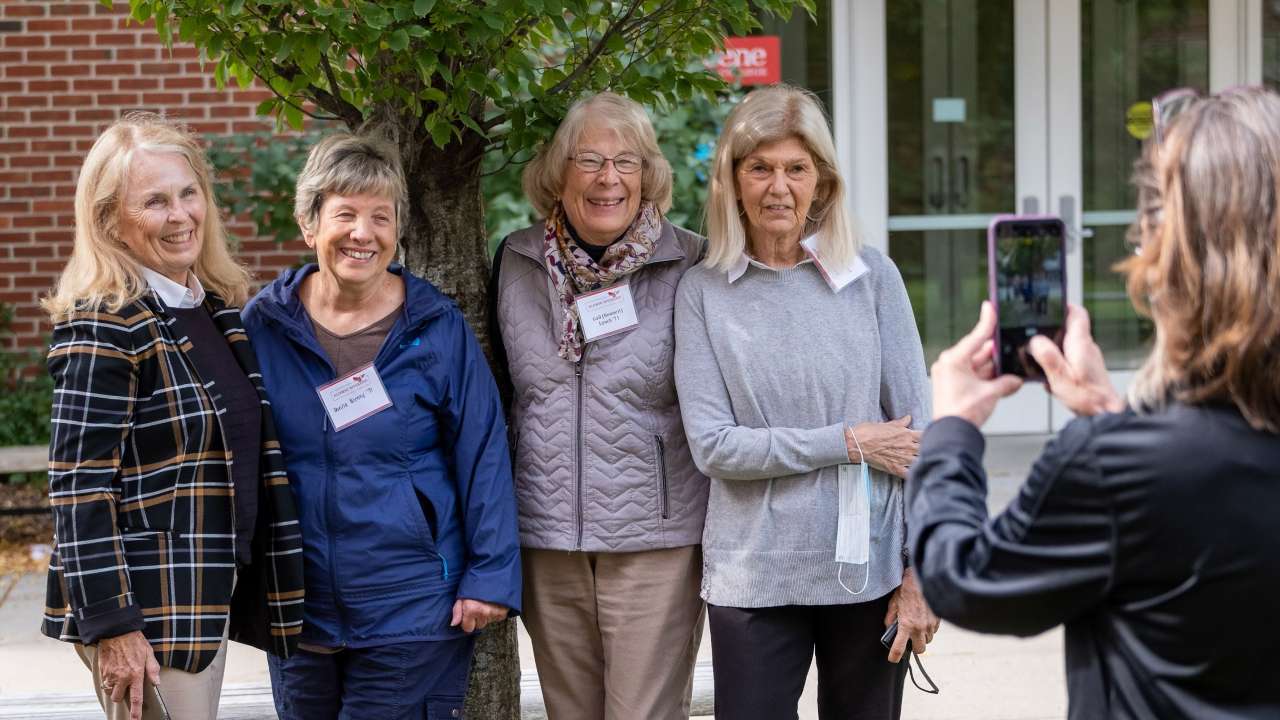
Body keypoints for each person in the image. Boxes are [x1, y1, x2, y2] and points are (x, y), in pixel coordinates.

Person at [911, 87, 1280, 719]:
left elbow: (966, 579)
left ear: (1179, 253)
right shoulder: (1138, 455)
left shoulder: (1119, 466)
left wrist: (952, 431)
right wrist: (1112, 415)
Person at [673, 84, 938, 720]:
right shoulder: (703, 291)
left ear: (822, 181)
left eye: (797, 168)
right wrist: (850, 441)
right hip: (752, 575)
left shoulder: (872, 277)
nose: (778, 187)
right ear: (733, 181)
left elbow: (924, 442)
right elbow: (714, 445)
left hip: (867, 574)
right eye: (759, 168)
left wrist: (922, 576)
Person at [242, 132, 521, 720]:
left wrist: (491, 574)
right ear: (309, 223)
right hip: (299, 607)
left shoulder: (435, 327)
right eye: (345, 213)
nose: (362, 233)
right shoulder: (263, 326)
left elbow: (483, 451)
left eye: (380, 216)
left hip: (413, 605)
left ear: (398, 230)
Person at [39, 112, 305, 720]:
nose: (181, 214)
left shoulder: (207, 307)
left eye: (189, 193)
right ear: (111, 221)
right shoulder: (104, 323)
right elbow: (79, 487)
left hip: (200, 592)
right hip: (145, 608)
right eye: (155, 201)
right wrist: (113, 626)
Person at [489, 91, 709, 719]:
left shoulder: (689, 262)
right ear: (558, 172)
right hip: (548, 537)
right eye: (589, 160)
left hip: (655, 540)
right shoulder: (516, 261)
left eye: (627, 162)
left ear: (649, 176)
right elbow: (503, 397)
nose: (608, 178)